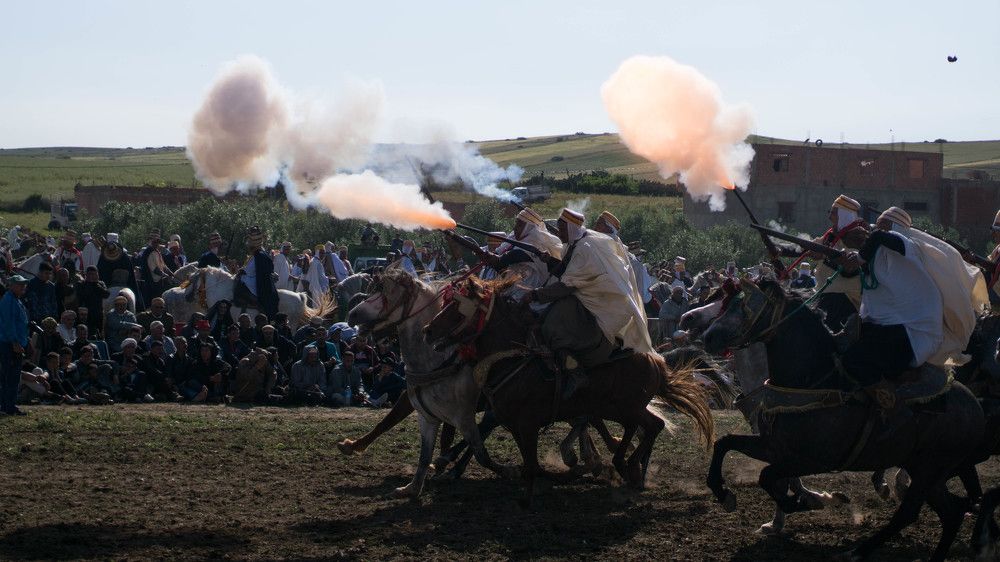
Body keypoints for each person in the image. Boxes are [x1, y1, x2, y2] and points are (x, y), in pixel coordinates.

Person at [524, 208, 653, 397]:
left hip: (602, 304)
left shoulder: (585, 247)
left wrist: (536, 295)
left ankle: (575, 373)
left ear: (570, 227)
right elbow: (569, 273)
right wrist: (550, 262)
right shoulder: (579, 243)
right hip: (591, 297)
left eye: (561, 228)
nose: (558, 233)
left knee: (553, 326)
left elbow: (569, 285)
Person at [836, 221, 943, 413]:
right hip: (889, 329)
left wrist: (859, 257)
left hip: (912, 333)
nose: (871, 229)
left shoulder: (903, 243)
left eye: (880, 224)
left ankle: (896, 411)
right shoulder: (876, 257)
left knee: (853, 360)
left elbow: (878, 238)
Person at [877, 206, 987, 366]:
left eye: (884, 229)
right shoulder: (884, 255)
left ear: (895, 229)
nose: (879, 234)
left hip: (920, 318)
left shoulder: (914, 251)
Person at [0, 275, 30, 415]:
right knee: (9, 376)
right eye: (19, 284)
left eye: (24, 284)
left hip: (15, 343)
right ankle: (8, 406)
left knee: (13, 376)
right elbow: (8, 324)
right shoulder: (8, 300)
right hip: (9, 344)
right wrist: (15, 342)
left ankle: (8, 405)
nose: (23, 286)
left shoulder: (17, 300)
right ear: (11, 285)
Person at [138, 230, 171, 308]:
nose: (156, 244)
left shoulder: (157, 252)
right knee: (153, 300)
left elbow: (163, 265)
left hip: (159, 280)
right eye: (155, 242)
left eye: (158, 242)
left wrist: (171, 273)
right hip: (152, 281)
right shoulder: (148, 252)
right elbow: (154, 269)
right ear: (151, 242)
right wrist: (165, 275)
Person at [76, 266, 110, 337]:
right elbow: (82, 295)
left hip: (98, 314)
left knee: (98, 334)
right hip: (85, 315)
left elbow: (106, 294)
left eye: (94, 274)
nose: (91, 276)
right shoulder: (81, 284)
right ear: (86, 275)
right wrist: (89, 283)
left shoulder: (101, 284)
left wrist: (96, 284)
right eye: (90, 274)